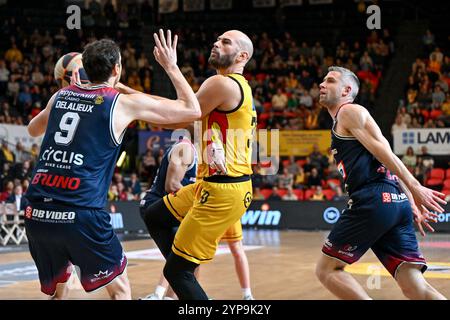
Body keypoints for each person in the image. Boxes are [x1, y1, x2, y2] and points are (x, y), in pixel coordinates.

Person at [23, 31, 201, 300]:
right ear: (117, 68)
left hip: (37, 213)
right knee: (120, 292)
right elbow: (192, 110)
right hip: (81, 214)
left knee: (60, 292)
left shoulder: (59, 97)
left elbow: (32, 130)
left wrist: (67, 93)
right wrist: (171, 66)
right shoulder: (120, 104)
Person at [141, 30, 256, 300]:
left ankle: (184, 277)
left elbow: (179, 114)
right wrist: (128, 94)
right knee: (155, 215)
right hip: (216, 186)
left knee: (177, 273)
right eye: (216, 39)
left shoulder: (223, 84)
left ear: (242, 56)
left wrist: (170, 67)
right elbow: (180, 108)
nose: (216, 42)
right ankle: (183, 270)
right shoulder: (233, 87)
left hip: (222, 191)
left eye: (225, 41)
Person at [315, 66, 447, 300]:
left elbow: (384, 151)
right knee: (416, 287)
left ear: (347, 90)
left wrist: (414, 186)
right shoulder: (348, 119)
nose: (322, 84)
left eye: (330, 81)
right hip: (394, 201)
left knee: (327, 270)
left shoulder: (349, 112)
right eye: (323, 80)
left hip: (371, 200)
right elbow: (384, 161)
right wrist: (409, 200)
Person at [140, 131, 254, 300]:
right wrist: (204, 200)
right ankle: (160, 295)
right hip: (159, 205)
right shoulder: (185, 149)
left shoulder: (204, 155)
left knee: (188, 260)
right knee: (183, 259)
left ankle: (172, 297)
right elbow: (171, 186)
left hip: (178, 207)